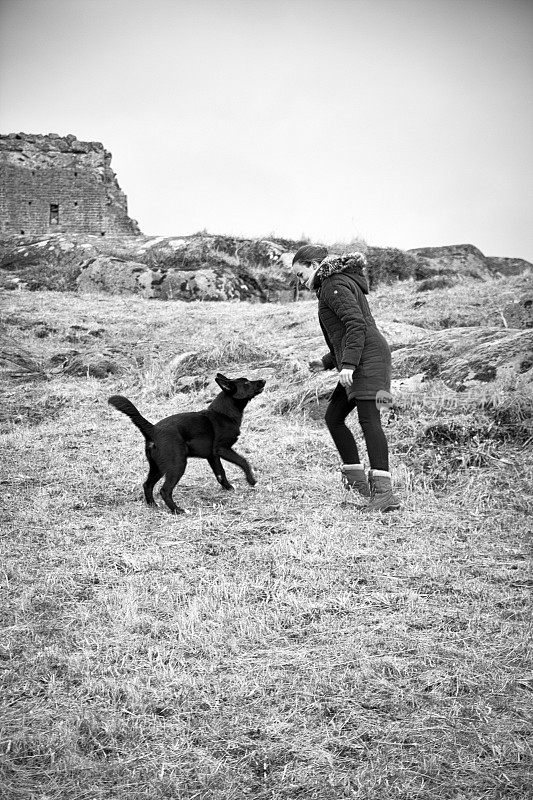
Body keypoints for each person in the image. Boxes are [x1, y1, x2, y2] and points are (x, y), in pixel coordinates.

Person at [292, 244, 400, 512]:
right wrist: (327, 361)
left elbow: (356, 325)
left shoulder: (333, 284)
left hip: (368, 360)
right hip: (365, 357)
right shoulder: (332, 285)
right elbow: (345, 332)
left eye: (299, 273)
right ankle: (358, 485)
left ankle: (384, 494)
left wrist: (349, 364)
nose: (298, 279)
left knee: (370, 420)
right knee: (334, 417)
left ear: (314, 264)